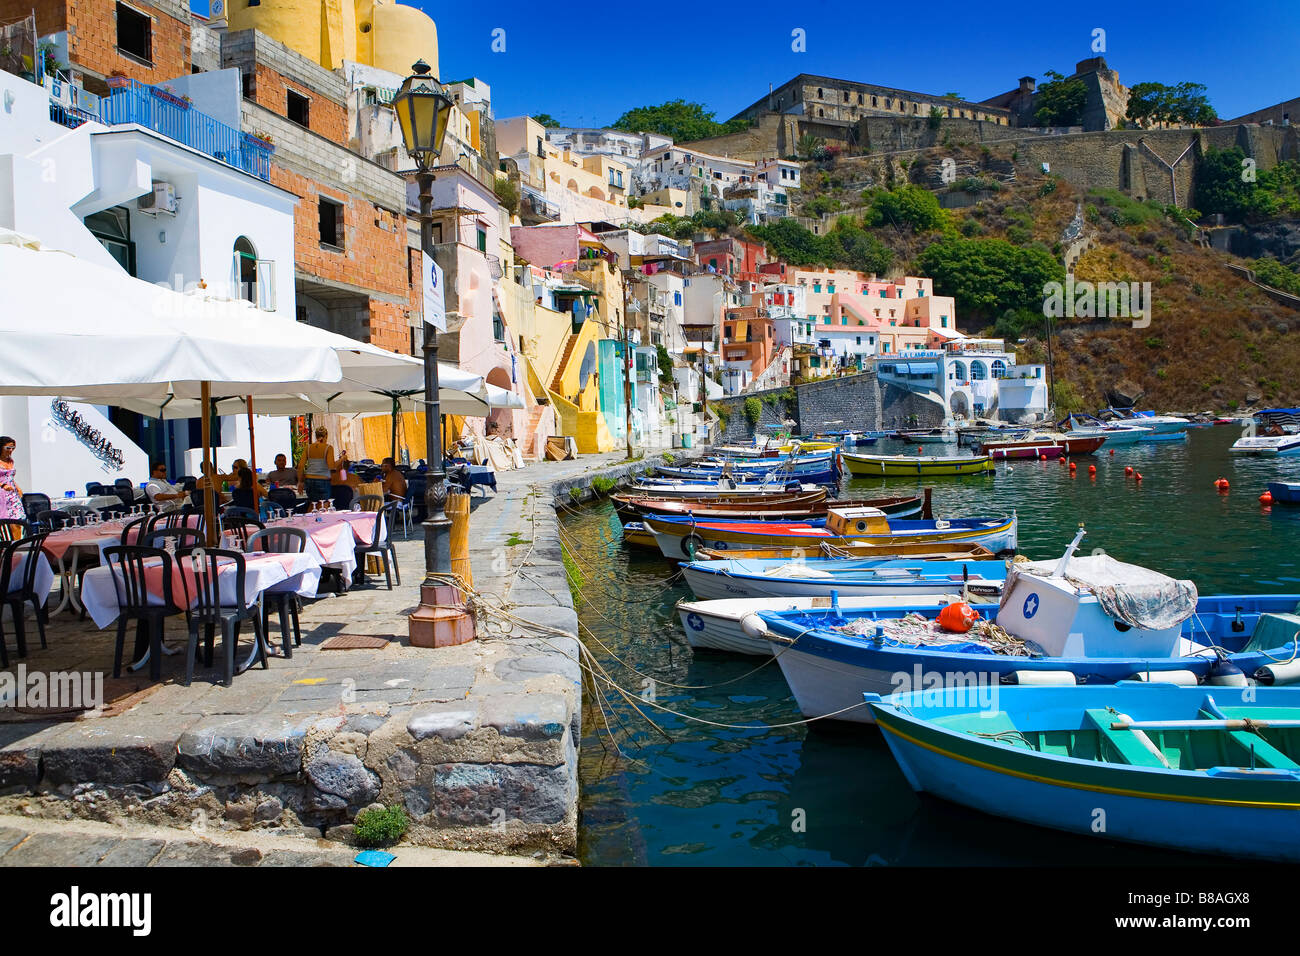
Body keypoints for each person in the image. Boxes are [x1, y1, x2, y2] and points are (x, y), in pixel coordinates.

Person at [298, 426, 343, 503]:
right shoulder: (328, 448)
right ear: (326, 436)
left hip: (309, 480)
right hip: (323, 480)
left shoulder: (308, 447)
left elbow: (300, 466)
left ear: (316, 436)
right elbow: (331, 466)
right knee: (323, 506)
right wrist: (342, 459)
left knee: (312, 505)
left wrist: (300, 482)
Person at [0, 436, 23, 521]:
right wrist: (3, 485)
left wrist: (17, 487)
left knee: (17, 520)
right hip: (2, 494)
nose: (10, 450)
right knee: (4, 520)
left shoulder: (10, 460)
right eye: (8, 448)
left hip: (12, 494)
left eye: (13, 448)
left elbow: (10, 478)